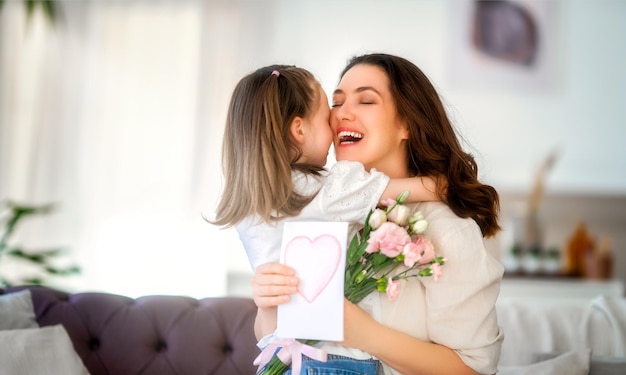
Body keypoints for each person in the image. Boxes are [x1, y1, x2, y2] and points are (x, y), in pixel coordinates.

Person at [252, 54, 504, 375]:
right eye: (337, 102)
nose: (341, 114)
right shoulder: (323, 214)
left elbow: (474, 370)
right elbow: (278, 340)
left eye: (366, 101)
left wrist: (365, 334)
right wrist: (268, 303)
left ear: (407, 124)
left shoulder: (446, 228)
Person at [211, 64, 445, 374]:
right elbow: (418, 189)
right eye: (327, 113)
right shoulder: (324, 191)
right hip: (334, 361)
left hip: (281, 359)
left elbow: (269, 323)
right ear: (299, 130)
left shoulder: (249, 203)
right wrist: (456, 183)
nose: (337, 121)